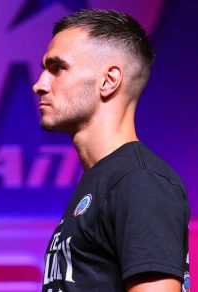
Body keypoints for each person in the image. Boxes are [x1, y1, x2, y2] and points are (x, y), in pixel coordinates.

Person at [32, 9, 190, 292]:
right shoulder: (105, 180)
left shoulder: (140, 182)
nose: (39, 85)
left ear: (108, 81)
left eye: (57, 69)